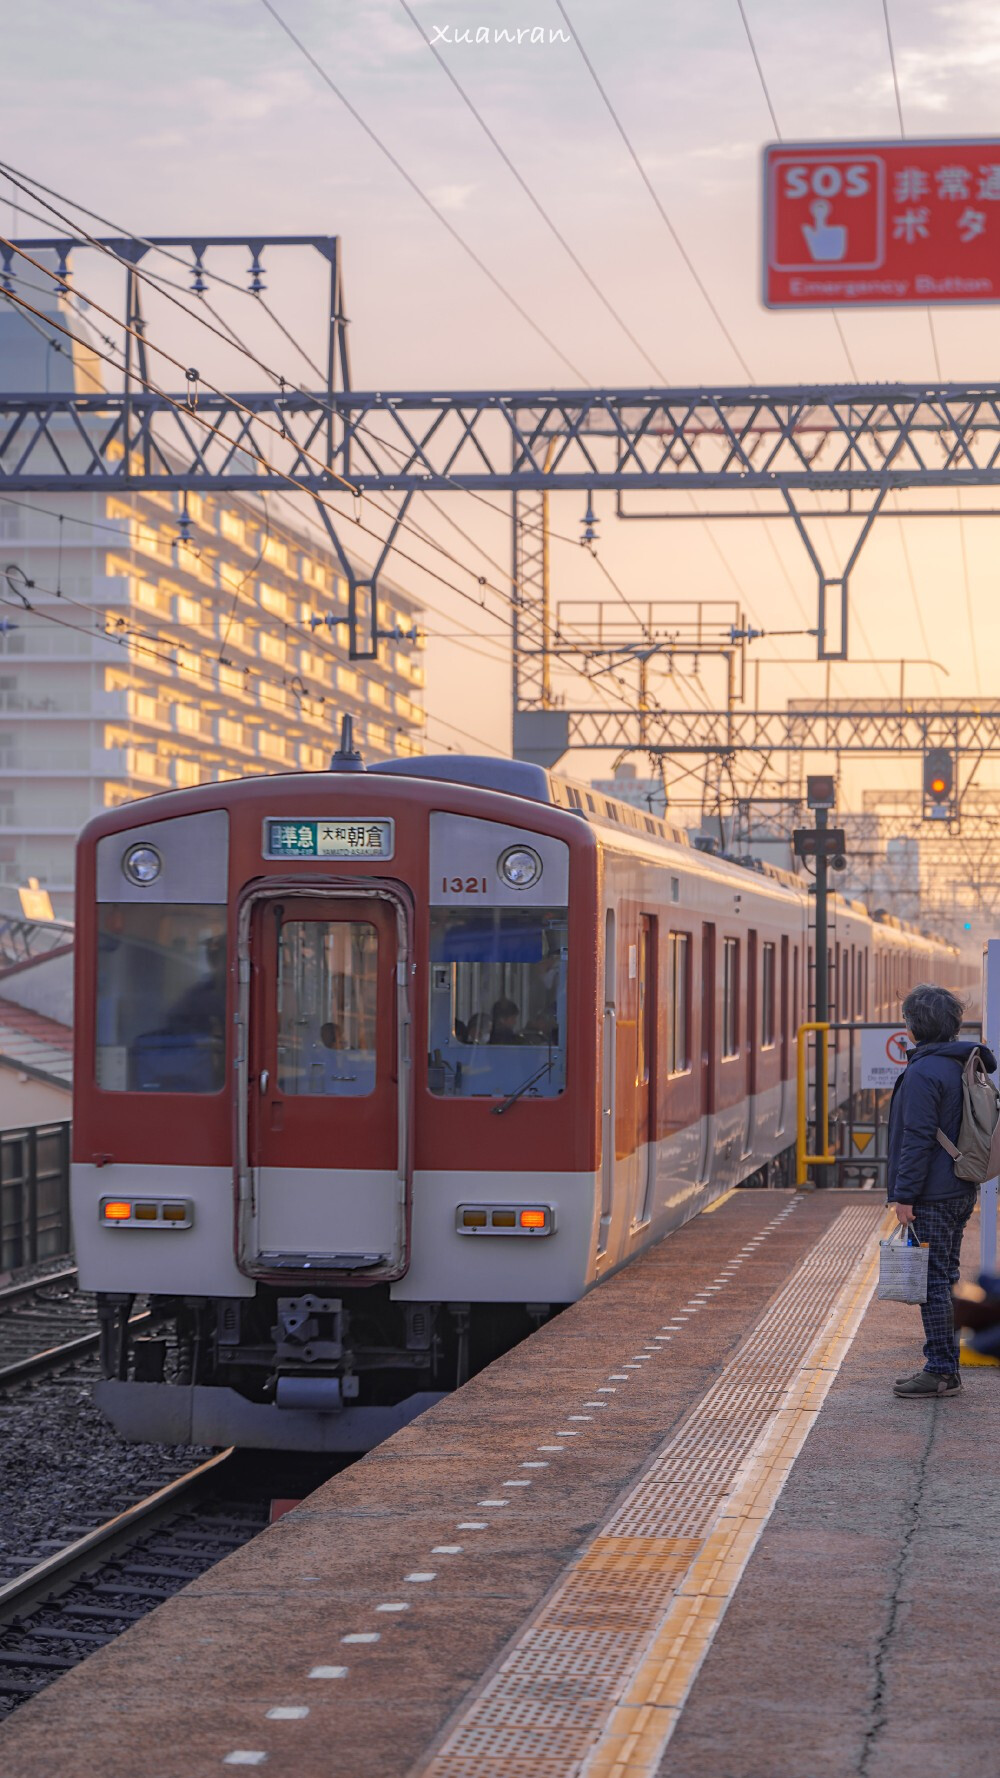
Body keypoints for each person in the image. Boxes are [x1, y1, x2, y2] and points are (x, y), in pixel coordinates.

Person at [887, 982, 997, 1399]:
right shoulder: (962, 1064)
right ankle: (944, 1365)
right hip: (959, 1187)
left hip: (930, 1193)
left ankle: (941, 1370)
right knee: (945, 1277)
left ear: (913, 1028)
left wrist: (904, 1196)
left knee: (932, 1283)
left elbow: (915, 1139)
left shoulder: (922, 1073)